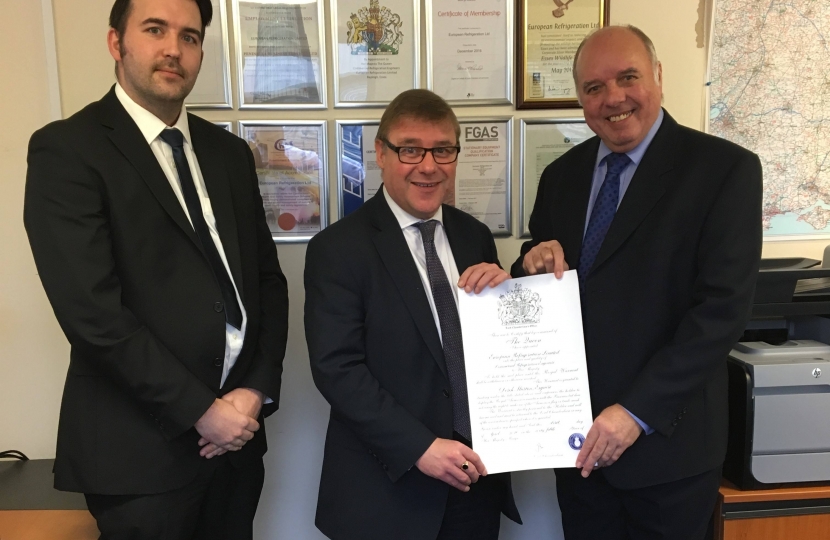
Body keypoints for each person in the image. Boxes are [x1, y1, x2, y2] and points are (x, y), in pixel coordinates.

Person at [23, 0, 289, 537]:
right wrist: (201, 410)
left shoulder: (229, 154)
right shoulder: (68, 151)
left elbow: (266, 283)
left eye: (190, 37)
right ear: (116, 43)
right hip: (139, 457)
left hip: (235, 444)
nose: (174, 49)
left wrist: (254, 392)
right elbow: (93, 315)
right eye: (154, 30)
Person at [512, 25, 762, 540]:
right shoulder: (560, 176)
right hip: (580, 449)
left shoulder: (724, 171)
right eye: (594, 87)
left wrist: (635, 413)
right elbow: (543, 277)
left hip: (668, 450)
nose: (613, 98)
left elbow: (721, 313)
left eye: (628, 77)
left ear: (658, 78)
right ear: (580, 96)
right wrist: (527, 263)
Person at [304, 89, 522, 540]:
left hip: (474, 483)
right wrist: (420, 447)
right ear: (380, 154)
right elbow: (337, 369)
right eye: (410, 149)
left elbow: (485, 353)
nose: (429, 165)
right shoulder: (338, 249)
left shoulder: (474, 236)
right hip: (386, 491)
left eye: (443, 149)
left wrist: (508, 302)